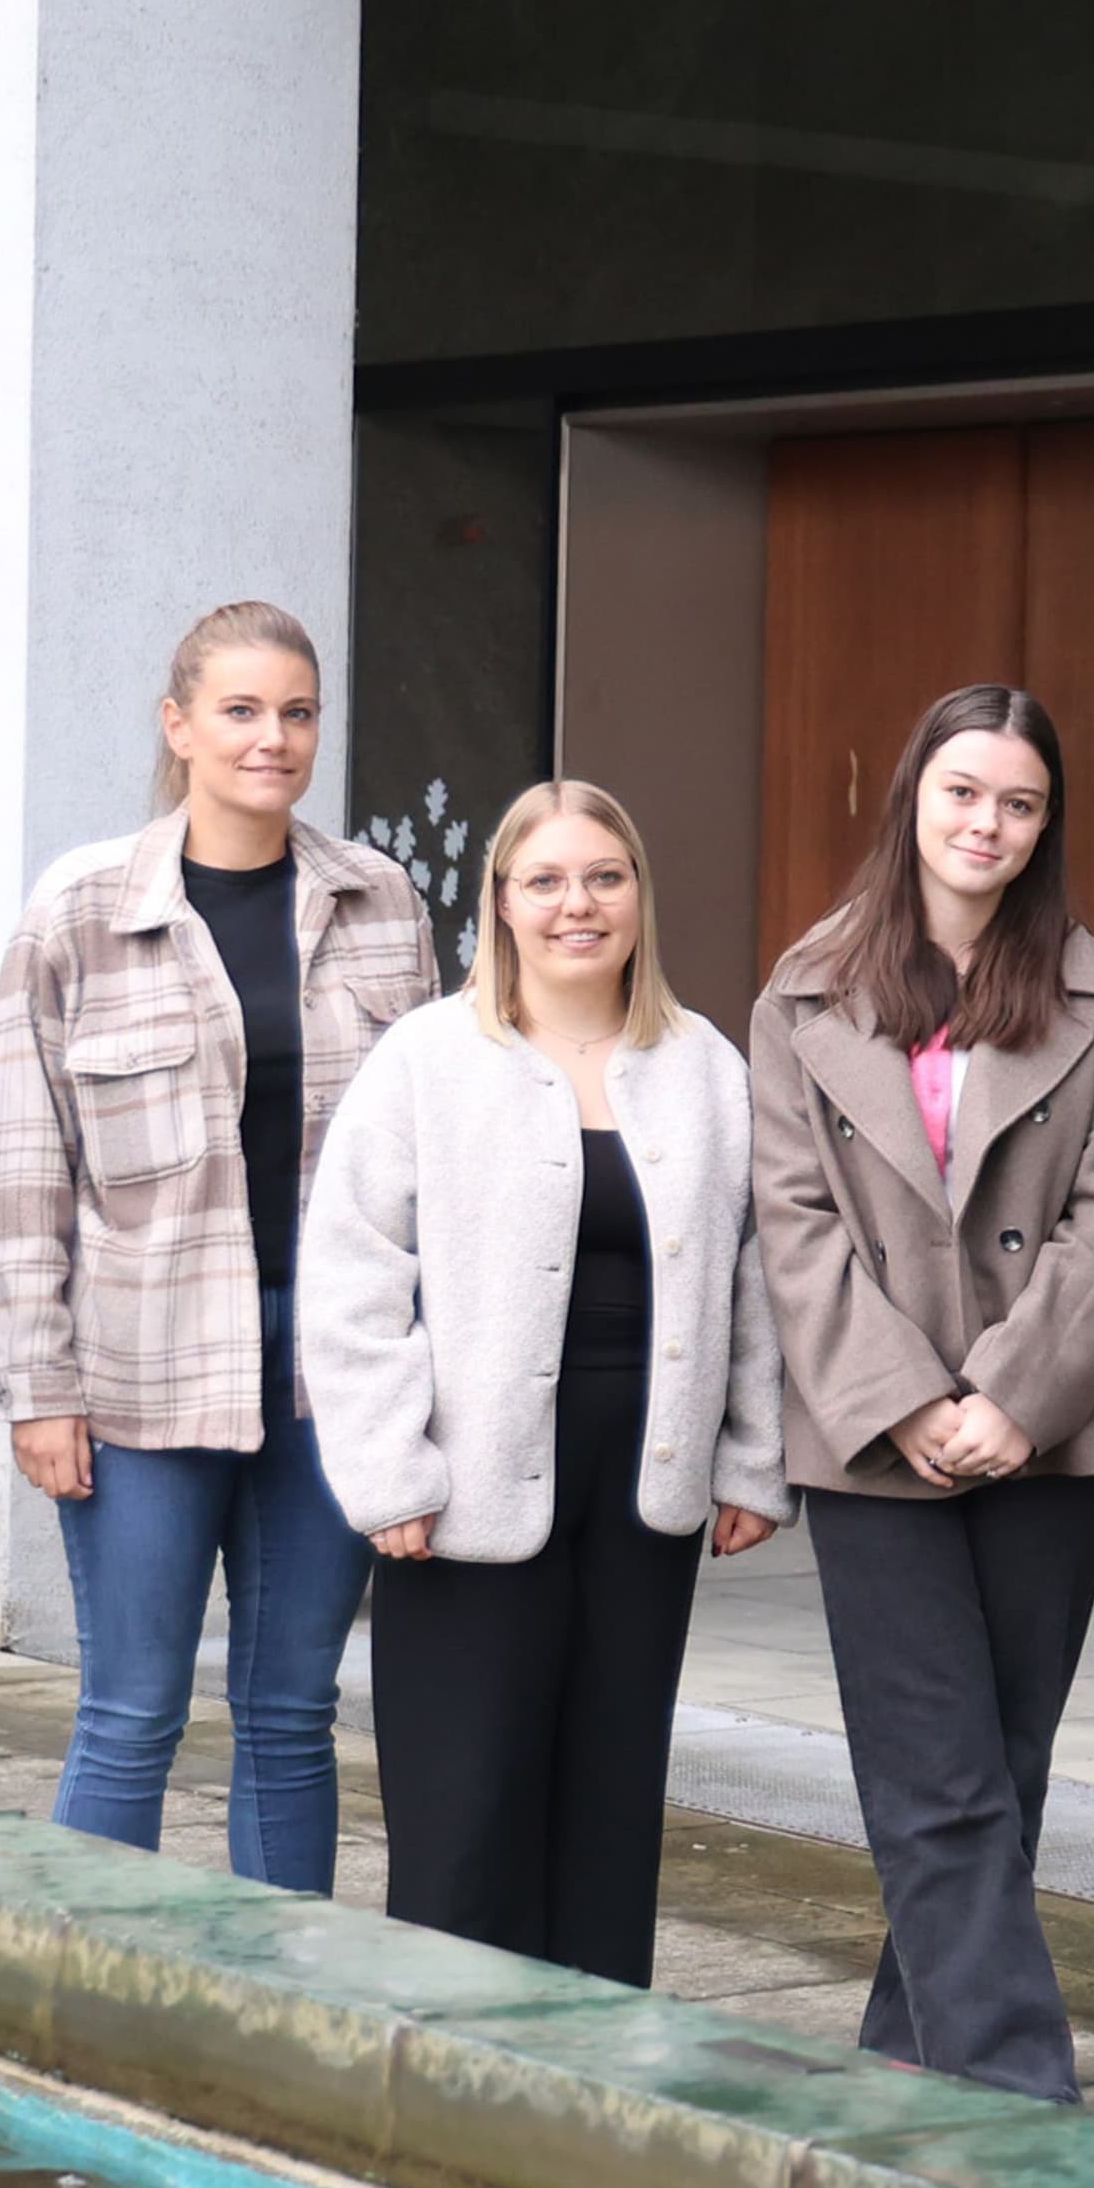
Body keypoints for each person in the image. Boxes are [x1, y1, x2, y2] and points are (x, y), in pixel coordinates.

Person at [0, 603, 432, 1894]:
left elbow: (428, 1153)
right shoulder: (80, 908)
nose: (271, 737)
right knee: (130, 1714)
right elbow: (22, 1164)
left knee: (292, 1718)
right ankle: (84, 1987)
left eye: (296, 712)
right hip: (142, 1369)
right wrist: (38, 1386)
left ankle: (281, 1991)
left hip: (332, 1370)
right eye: (240, 710)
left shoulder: (380, 901)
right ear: (178, 726)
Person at [305, 780, 785, 1982]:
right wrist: (388, 1469)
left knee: (612, 1802)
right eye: (549, 880)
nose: (580, 903)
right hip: (465, 1483)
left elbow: (760, 1275)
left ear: (639, 896)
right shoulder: (429, 1057)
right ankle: (451, 2055)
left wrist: (753, 1457)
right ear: (503, 902)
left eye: (606, 877)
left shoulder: (706, 1065)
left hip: (645, 1486)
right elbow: (354, 1270)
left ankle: (596, 2058)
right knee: (465, 1802)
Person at [749, 688, 1094, 2102]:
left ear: (1046, 827)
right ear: (913, 796)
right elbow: (794, 1222)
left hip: (1045, 1429)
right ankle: (1021, 2090)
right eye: (963, 792)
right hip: (875, 1437)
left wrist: (1013, 1397)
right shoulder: (806, 989)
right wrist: (910, 1399)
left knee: (1002, 1766)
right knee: (935, 1774)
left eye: (1019, 803)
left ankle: (907, 2053)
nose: (988, 823)